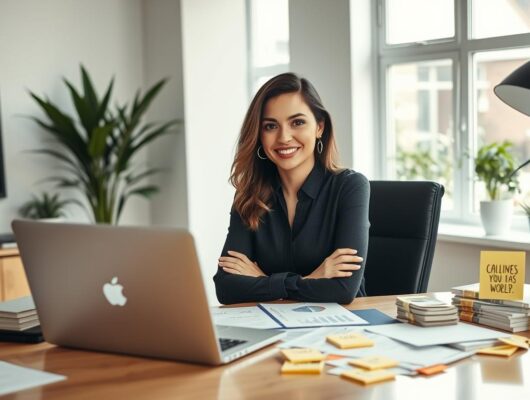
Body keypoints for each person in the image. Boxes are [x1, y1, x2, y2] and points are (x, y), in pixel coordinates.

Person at [214, 73, 369, 305]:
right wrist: (311, 278)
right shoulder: (250, 194)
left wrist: (263, 280)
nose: (284, 137)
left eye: (297, 122)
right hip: (272, 328)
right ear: (259, 134)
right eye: (270, 126)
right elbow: (226, 288)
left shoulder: (350, 187)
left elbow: (343, 289)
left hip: (341, 328)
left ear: (319, 127)